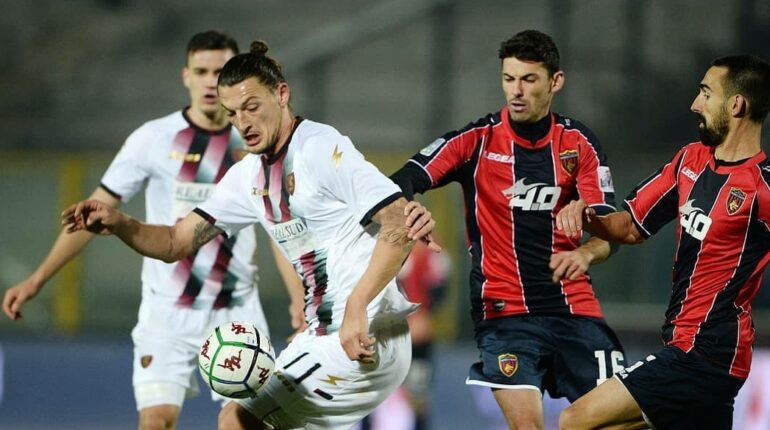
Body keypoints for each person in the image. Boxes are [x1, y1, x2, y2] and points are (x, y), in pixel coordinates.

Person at [60, 39, 439, 430]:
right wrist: (120, 223)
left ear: (282, 94)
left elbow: (399, 222)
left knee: (237, 421)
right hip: (321, 335)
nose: (242, 122)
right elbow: (175, 243)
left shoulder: (319, 148)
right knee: (237, 417)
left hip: (366, 332)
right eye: (232, 113)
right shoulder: (246, 177)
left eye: (252, 107)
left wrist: (357, 305)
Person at [2, 31, 305, 430]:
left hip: (236, 311)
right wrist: (37, 279)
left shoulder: (253, 140)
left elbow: (277, 226)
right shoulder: (153, 138)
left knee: (241, 424)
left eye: (219, 72)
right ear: (186, 76)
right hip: (166, 312)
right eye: (201, 71)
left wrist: (298, 298)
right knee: (155, 421)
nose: (209, 82)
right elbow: (93, 215)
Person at [390, 29, 626, 429]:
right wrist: (411, 210)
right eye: (509, 78)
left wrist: (586, 244)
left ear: (555, 81)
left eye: (529, 79)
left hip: (575, 309)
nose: (516, 91)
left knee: (614, 421)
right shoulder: (476, 141)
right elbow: (401, 181)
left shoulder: (579, 143)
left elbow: (610, 233)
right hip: (504, 313)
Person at [555, 54, 770, 429]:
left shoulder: (762, 188)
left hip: (706, 353)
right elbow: (630, 226)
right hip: (691, 350)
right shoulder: (690, 160)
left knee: (576, 421)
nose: (695, 104)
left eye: (706, 93)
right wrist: (591, 218)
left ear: (737, 105)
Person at [356, 239, 451, 430]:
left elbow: (441, 287)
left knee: (417, 397)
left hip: (418, 340)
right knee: (370, 395)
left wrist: (425, 316)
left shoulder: (434, 252)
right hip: (384, 335)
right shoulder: (381, 247)